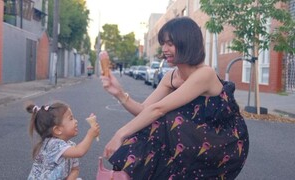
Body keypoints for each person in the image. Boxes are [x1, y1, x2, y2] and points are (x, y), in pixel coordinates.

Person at [100, 17, 249, 180]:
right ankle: (127, 174)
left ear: (187, 44)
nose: (164, 49)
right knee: (153, 122)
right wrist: (119, 93)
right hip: (192, 137)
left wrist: (120, 134)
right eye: (163, 43)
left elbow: (158, 110)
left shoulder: (205, 74)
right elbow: (144, 111)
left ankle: (126, 175)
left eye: (170, 44)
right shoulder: (171, 76)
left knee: (166, 119)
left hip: (224, 141)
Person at [26, 101, 100, 180]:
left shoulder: (70, 146)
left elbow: (75, 169)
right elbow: (79, 152)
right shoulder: (53, 144)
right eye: (71, 119)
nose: (76, 121)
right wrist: (90, 135)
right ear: (57, 130)